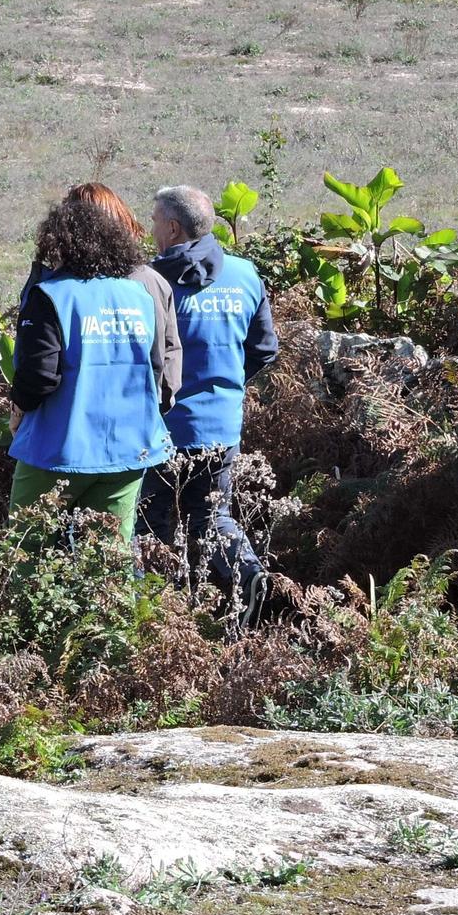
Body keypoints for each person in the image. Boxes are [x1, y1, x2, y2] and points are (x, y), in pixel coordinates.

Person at [140, 184, 279, 612]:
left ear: (173, 227)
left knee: (150, 525)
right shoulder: (245, 274)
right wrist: (228, 385)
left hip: (163, 428)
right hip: (222, 425)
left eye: (156, 220)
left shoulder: (151, 281)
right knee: (213, 519)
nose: (151, 227)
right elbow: (265, 348)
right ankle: (249, 576)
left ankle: (157, 613)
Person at [8, 192, 171, 541]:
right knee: (108, 568)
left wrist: (17, 409)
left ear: (60, 239)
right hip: (128, 449)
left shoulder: (51, 295)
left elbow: (38, 376)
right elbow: (156, 366)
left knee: (25, 554)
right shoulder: (138, 296)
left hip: (58, 450)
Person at [56, 182, 182, 412]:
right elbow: (168, 353)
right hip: (139, 421)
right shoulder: (152, 282)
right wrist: (157, 408)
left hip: (73, 423)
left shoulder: (58, 289)